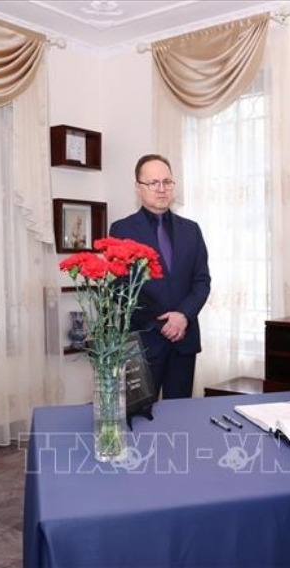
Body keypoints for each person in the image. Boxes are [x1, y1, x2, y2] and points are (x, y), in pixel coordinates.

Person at [109, 154, 211, 399]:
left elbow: (202, 281)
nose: (162, 189)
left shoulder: (191, 230)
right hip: (144, 340)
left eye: (167, 182)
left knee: (181, 417)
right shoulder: (122, 230)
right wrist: (162, 321)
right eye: (153, 183)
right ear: (138, 187)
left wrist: (182, 316)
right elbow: (119, 288)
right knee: (142, 418)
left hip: (183, 340)